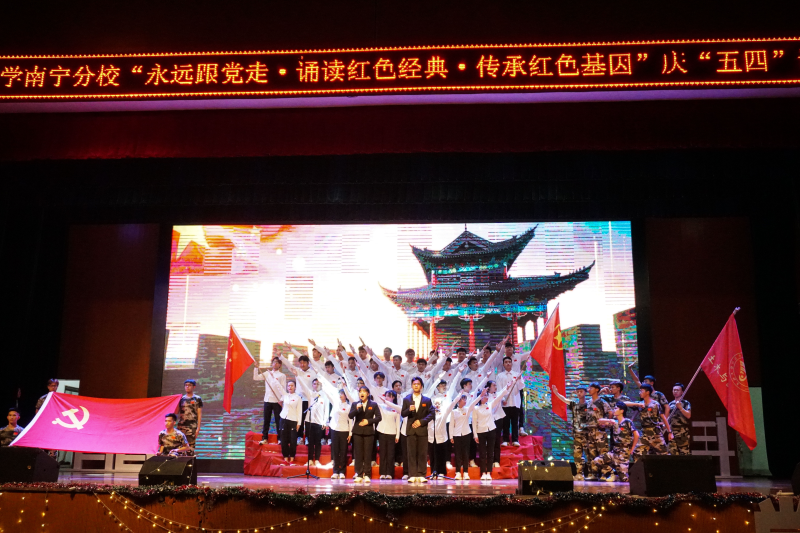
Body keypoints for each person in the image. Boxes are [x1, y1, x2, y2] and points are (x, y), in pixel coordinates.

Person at [472, 376, 518, 481]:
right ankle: (483, 472)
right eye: (484, 396)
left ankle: (489, 472)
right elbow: (474, 423)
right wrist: (475, 435)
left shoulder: (490, 404)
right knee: (482, 453)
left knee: (490, 452)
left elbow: (499, 396)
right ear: (480, 397)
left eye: (486, 396)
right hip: (481, 432)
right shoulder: (476, 408)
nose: (486, 397)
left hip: (491, 430)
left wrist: (507, 387)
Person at [318, 376, 354, 479]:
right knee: (335, 451)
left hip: (344, 430)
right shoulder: (335, 403)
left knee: (343, 451)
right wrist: (322, 383)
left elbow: (350, 421)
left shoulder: (349, 406)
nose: (341, 396)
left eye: (342, 394)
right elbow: (327, 393)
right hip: (334, 430)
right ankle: (335, 471)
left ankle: (342, 471)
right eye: (340, 394)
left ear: (346, 396)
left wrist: (350, 433)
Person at [551, 384, 588, 481]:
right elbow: (564, 399)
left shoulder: (589, 405)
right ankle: (579, 474)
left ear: (585, 392)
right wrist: (556, 393)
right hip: (577, 434)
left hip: (588, 434)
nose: (579, 393)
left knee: (590, 454)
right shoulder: (574, 405)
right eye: (578, 392)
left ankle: (593, 474)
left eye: (581, 391)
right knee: (577, 455)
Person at [594, 401, 639, 482]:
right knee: (597, 460)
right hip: (614, 452)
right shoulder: (614, 423)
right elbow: (599, 420)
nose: (614, 410)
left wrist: (632, 448)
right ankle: (612, 473)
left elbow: (636, 435)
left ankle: (619, 474)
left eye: (616, 408)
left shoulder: (627, 422)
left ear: (622, 411)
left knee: (624, 479)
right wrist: (610, 420)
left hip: (623, 453)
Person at [401, 376, 434, 483]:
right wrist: (408, 410)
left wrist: (421, 422)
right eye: (414, 384)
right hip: (411, 430)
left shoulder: (427, 400)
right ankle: (412, 474)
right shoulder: (406, 399)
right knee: (411, 453)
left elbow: (432, 414)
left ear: (421, 386)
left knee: (422, 453)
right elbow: (403, 413)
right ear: (411, 386)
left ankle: (421, 474)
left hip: (422, 430)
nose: (416, 386)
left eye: (418, 384)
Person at [265, 374, 303, 462]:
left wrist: (299, 423)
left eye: (292, 386)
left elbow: (299, 411)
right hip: (283, 419)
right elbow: (279, 386)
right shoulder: (285, 395)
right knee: (283, 438)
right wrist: (273, 377)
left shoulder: (298, 398)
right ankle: (285, 455)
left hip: (293, 420)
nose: (290, 387)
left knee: (293, 439)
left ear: (295, 387)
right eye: (288, 386)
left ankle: (292, 456)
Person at [348, 386, 382, 483]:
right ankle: (359, 474)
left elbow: (379, 417)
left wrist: (368, 421)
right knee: (358, 454)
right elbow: (350, 416)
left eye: (364, 391)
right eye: (360, 391)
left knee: (367, 454)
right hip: (357, 432)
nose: (362, 393)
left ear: (368, 394)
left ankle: (367, 474)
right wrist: (356, 409)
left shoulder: (373, 404)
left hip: (369, 432)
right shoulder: (355, 404)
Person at [626, 384, 670, 457]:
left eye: (641, 391)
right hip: (644, 433)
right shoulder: (640, 404)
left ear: (647, 392)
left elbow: (663, 417)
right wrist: (637, 404)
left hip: (655, 432)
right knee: (637, 453)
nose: (640, 393)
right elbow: (624, 404)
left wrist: (670, 432)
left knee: (664, 454)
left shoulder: (655, 404)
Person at [295, 377, 328, 467]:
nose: (316, 385)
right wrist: (298, 376)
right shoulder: (310, 394)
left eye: (318, 384)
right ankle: (310, 460)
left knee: (317, 442)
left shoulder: (324, 396)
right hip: (309, 421)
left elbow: (326, 410)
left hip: (319, 422)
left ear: (321, 385)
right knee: (310, 441)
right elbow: (303, 386)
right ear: (312, 385)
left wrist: (324, 422)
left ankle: (316, 460)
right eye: (314, 384)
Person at [253, 357, 287, 445]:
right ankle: (265, 438)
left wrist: (282, 400)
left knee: (278, 421)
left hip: (277, 401)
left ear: (280, 365)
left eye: (277, 362)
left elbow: (283, 389)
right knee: (266, 420)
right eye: (274, 362)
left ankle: (280, 439)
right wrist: (256, 367)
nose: (275, 363)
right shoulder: (267, 373)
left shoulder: (282, 376)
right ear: (272, 364)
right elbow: (256, 377)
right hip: (267, 400)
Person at [584, 383, 613, 481]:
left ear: (596, 389)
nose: (589, 389)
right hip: (590, 431)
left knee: (602, 453)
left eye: (591, 388)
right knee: (592, 453)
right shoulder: (588, 402)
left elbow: (610, 412)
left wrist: (606, 423)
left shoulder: (602, 402)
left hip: (599, 431)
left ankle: (605, 474)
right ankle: (594, 474)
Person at [448, 393, 481, 480]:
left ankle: (466, 472)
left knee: (466, 453)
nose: (465, 401)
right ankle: (458, 472)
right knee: (458, 454)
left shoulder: (467, 409)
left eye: (465, 399)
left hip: (466, 434)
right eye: (463, 399)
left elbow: (474, 403)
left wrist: (481, 396)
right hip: (456, 434)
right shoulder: (454, 412)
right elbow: (451, 425)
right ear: (459, 401)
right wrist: (451, 436)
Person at [496, 356, 524, 446]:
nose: (508, 363)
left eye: (509, 362)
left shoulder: (517, 374)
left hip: (515, 402)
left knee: (515, 422)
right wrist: (503, 399)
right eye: (506, 362)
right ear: (503, 364)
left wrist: (520, 379)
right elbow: (499, 389)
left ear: (511, 364)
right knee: (505, 422)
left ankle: (515, 440)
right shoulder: (500, 376)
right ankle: (505, 440)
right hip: (505, 403)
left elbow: (521, 387)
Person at [374, 390, 401, 479]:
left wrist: (397, 435)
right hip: (382, 432)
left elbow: (398, 423)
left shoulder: (396, 408)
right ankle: (382, 473)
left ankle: (389, 473)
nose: (387, 397)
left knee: (390, 454)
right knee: (383, 453)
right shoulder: (381, 406)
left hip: (392, 433)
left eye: (389, 396)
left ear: (393, 397)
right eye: (386, 396)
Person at [177, 379, 203, 449]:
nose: (187, 387)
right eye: (186, 385)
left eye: (189, 385)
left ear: (194, 387)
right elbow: (177, 412)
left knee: (190, 447)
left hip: (192, 426)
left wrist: (198, 428)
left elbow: (199, 414)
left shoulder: (197, 399)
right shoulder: (181, 399)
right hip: (181, 426)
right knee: (180, 446)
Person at [668, 382, 692, 455]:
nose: (675, 391)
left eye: (677, 390)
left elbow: (688, 415)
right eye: (674, 390)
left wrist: (680, 408)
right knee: (672, 453)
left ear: (682, 392)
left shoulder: (685, 403)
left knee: (684, 453)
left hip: (682, 431)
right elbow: (668, 418)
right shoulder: (670, 404)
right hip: (672, 431)